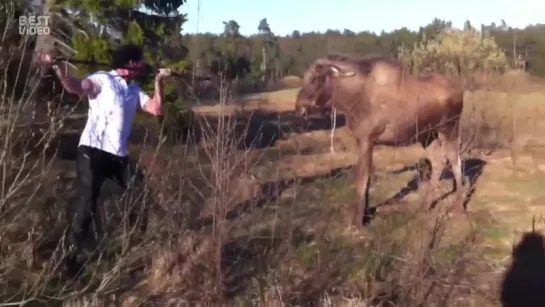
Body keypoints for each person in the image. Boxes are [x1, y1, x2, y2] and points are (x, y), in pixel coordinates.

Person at [37, 43, 170, 277]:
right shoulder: (101, 79)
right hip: (93, 151)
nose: (142, 65)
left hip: (118, 155)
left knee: (140, 193)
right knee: (87, 204)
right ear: (130, 63)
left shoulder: (134, 89)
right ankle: (70, 259)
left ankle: (133, 246)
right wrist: (58, 67)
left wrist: (159, 82)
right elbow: (76, 87)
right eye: (139, 61)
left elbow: (157, 109)